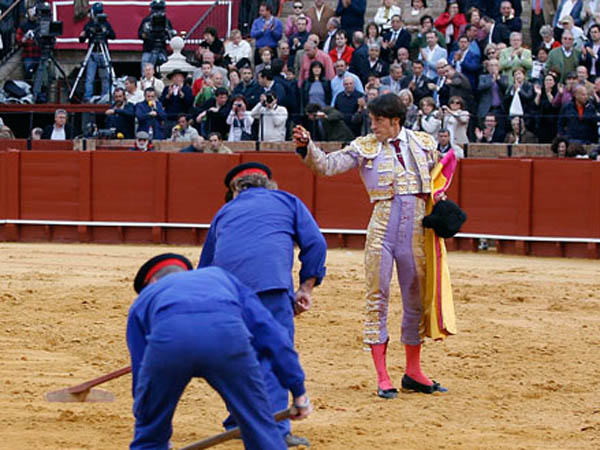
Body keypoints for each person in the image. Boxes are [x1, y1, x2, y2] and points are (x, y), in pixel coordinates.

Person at [292, 93, 456, 400]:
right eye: (372, 120)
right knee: (377, 296)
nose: (373, 125)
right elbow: (327, 166)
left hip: (418, 229)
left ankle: (413, 372)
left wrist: (441, 197)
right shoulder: (364, 147)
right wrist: (307, 147)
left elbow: (442, 174)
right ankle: (382, 376)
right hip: (382, 227)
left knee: (416, 300)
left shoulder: (424, 143)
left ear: (395, 121)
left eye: (378, 120)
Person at [127, 253, 313, 450]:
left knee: (150, 439)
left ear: (153, 281)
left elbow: (141, 374)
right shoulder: (220, 277)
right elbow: (271, 334)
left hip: (170, 343)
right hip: (228, 340)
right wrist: (298, 392)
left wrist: (150, 421)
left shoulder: (144, 300)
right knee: (260, 427)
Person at [198, 162, 327, 447]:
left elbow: (205, 266)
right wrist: (306, 287)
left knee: (234, 356)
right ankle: (275, 431)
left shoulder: (224, 212)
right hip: (269, 287)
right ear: (269, 184)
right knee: (274, 355)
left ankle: (239, 420)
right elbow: (316, 244)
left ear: (235, 190)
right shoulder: (287, 200)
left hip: (226, 294)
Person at [79, 2, 116, 102]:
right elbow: (82, 39)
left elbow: (113, 36)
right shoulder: (89, 24)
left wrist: (106, 31)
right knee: (90, 77)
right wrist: (82, 35)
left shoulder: (106, 23)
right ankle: (87, 97)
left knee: (105, 76)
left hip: (103, 53)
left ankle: (105, 96)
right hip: (93, 52)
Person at [137, 0, 175, 73]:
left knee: (165, 70)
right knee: (145, 71)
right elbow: (140, 34)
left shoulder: (166, 21)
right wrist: (145, 34)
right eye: (156, 9)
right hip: (149, 48)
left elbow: (170, 34)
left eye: (160, 9)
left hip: (162, 48)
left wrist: (168, 34)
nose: (158, 12)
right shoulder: (146, 21)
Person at [160, 69, 194, 137]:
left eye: (179, 76)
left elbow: (190, 103)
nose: (177, 79)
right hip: (169, 117)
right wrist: (168, 95)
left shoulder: (187, 89)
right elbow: (162, 103)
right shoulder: (167, 89)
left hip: (182, 118)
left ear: (183, 78)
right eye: (175, 77)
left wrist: (182, 95)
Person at [16, 6, 41, 82]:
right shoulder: (23, 26)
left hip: (40, 54)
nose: (32, 15)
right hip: (28, 55)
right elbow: (19, 40)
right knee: (28, 75)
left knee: (40, 77)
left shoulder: (40, 25)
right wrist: (24, 39)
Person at [533, 73, 560, 143]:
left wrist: (548, 93)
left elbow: (554, 104)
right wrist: (538, 94)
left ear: (554, 82)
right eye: (546, 80)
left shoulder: (557, 92)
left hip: (553, 121)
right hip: (542, 121)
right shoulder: (541, 91)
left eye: (550, 80)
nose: (548, 82)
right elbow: (536, 104)